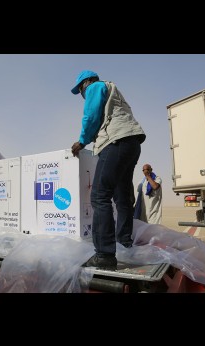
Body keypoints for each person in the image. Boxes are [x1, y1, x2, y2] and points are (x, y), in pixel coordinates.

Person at [70, 70, 146, 270]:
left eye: (81, 90)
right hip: (132, 142)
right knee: (122, 197)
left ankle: (104, 255)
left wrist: (82, 141)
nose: (82, 94)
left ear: (86, 82)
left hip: (115, 142)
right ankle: (123, 243)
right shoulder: (113, 90)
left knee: (99, 196)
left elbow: (91, 115)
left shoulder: (96, 86)